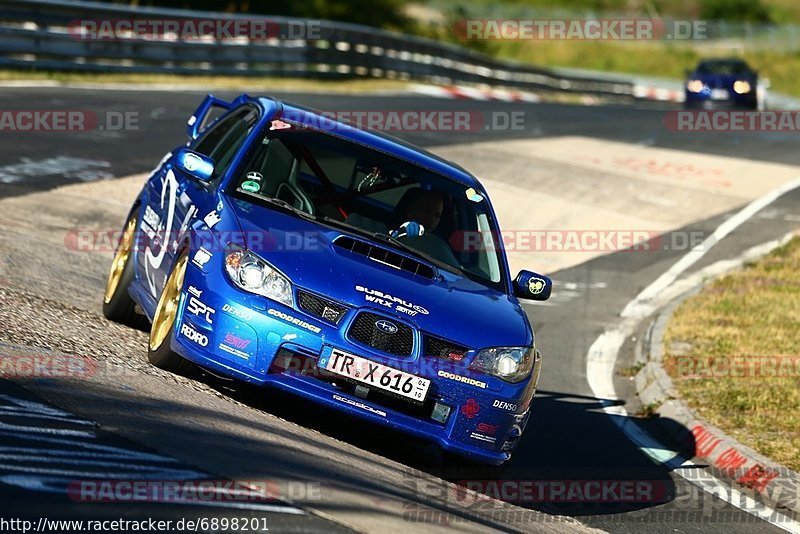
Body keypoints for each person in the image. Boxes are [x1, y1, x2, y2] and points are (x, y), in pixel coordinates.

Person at [394, 189, 459, 267]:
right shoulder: (382, 232)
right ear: (410, 210)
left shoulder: (438, 247)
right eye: (426, 212)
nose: (432, 219)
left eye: (437, 216)